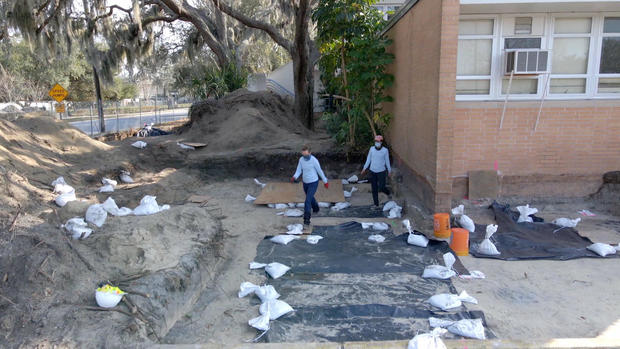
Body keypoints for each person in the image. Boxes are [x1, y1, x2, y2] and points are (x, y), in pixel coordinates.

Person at [291, 145, 329, 225]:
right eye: (303, 155)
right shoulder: (301, 160)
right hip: (305, 183)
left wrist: (325, 181)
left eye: (306, 155)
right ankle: (316, 208)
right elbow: (299, 170)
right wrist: (294, 177)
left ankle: (306, 219)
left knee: (307, 200)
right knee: (310, 197)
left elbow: (319, 171)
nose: (305, 156)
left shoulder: (314, 160)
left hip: (313, 182)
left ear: (310, 153)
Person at [361, 135, 392, 209]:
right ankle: (376, 204)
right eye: (375, 141)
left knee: (382, 187)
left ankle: (388, 193)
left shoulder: (385, 150)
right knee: (374, 188)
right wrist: (364, 168)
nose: (376, 142)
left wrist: (389, 170)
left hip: (381, 171)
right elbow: (368, 159)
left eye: (378, 141)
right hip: (372, 171)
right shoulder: (371, 149)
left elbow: (387, 161)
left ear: (381, 142)